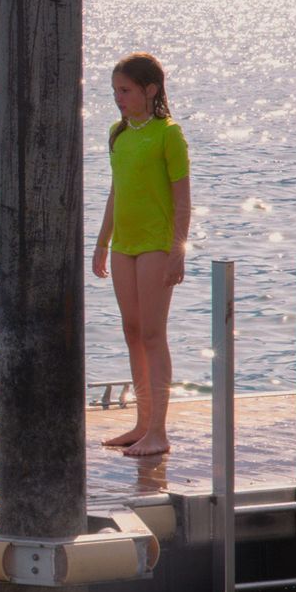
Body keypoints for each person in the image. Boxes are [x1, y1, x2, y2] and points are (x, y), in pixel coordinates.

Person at [91, 52, 191, 458]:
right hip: (124, 246)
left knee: (152, 334)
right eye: (115, 90)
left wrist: (177, 251)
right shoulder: (118, 133)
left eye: (126, 90)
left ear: (150, 90)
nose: (119, 98)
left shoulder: (170, 134)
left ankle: (159, 431)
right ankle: (141, 423)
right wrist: (101, 242)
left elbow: (183, 201)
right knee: (131, 332)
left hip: (156, 244)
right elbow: (117, 191)